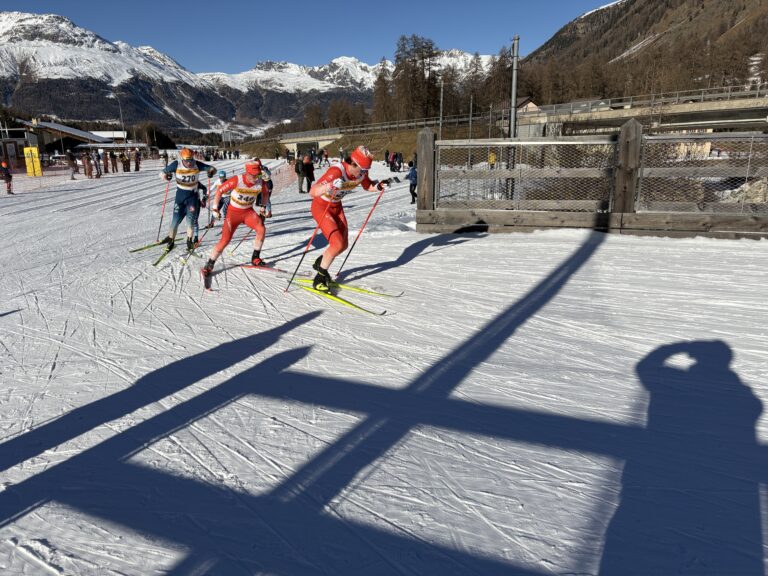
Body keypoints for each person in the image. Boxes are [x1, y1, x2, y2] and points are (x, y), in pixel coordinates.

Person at [308, 145, 386, 292]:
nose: (364, 173)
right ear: (353, 163)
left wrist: (379, 187)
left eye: (366, 171)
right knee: (337, 244)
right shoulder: (336, 171)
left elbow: (367, 185)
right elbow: (313, 191)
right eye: (362, 170)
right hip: (321, 207)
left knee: (343, 245)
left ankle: (320, 263)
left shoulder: (360, 173)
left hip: (336, 207)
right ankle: (319, 278)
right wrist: (330, 185)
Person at [201, 160, 272, 279]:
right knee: (225, 240)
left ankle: (255, 257)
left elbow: (265, 194)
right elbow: (220, 190)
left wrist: (263, 207)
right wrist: (215, 208)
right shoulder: (237, 180)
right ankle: (210, 263)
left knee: (261, 229)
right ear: (247, 173)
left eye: (258, 175)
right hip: (233, 214)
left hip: (248, 212)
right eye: (254, 175)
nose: (256, 178)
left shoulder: (260, 182)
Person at [158, 148, 216, 251]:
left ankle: (189, 242)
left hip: (192, 198)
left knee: (190, 222)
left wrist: (211, 172)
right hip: (180, 197)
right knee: (175, 221)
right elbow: (162, 173)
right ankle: (171, 240)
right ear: (182, 159)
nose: (189, 163)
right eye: (186, 160)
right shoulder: (176, 164)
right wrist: (166, 177)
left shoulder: (197, 164)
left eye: (190, 160)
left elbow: (213, 169)